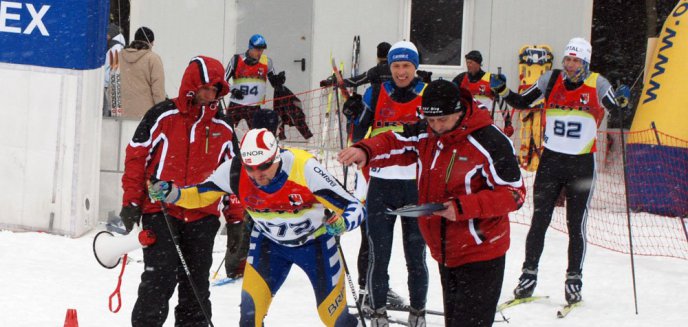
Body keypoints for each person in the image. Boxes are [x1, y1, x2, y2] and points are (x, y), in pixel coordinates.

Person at [338, 80, 525, 327]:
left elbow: (514, 194)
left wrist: (461, 207)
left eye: (443, 120)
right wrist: (366, 150)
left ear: (460, 112)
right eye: (431, 120)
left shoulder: (490, 140)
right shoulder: (429, 131)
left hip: (481, 252)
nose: (436, 127)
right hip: (446, 251)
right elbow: (396, 140)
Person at [147, 128, 367, 327]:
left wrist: (343, 223)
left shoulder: (304, 167)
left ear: (276, 157)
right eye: (250, 168)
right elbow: (198, 195)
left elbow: (354, 206)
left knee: (335, 320)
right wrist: (171, 193)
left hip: (315, 245)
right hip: (269, 247)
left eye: (264, 166)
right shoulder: (234, 171)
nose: (257, 174)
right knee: (249, 319)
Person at [490, 37, 622, 305]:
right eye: (568, 59)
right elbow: (521, 102)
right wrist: (503, 91)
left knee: (576, 225)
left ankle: (574, 279)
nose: (571, 65)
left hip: (581, 165)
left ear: (585, 62)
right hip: (551, 162)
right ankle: (528, 275)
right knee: (539, 221)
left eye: (576, 60)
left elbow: (616, 106)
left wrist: (623, 99)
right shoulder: (551, 80)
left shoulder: (597, 83)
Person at [118, 56, 232, 326]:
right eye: (205, 88)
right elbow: (137, 157)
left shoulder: (223, 127)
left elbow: (234, 175)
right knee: (159, 280)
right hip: (161, 211)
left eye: (215, 90)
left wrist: (236, 217)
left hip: (203, 216)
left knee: (196, 285)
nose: (210, 95)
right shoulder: (162, 116)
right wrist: (132, 201)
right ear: (192, 85)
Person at [340, 40, 429, 327]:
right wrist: (353, 114)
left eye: (406, 66)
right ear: (388, 67)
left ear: (416, 67)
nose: (401, 72)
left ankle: (418, 312)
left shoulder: (428, 95)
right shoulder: (376, 92)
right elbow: (358, 136)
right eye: (396, 66)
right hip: (380, 185)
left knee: (416, 257)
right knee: (379, 255)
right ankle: (377, 312)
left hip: (415, 187)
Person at [221, 109, 281, 280]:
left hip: (262, 200)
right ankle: (238, 267)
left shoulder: (268, 145)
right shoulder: (253, 146)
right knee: (244, 230)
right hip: (247, 198)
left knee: (254, 231)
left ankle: (253, 265)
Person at [224, 34, 286, 128]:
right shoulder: (236, 60)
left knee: (256, 134)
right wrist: (233, 90)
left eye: (262, 50)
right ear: (250, 48)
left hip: (255, 107)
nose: (260, 53)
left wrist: (278, 80)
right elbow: (223, 79)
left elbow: (274, 83)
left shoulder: (266, 62)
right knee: (227, 131)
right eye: (258, 50)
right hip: (236, 105)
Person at [120, 26, 166, 119]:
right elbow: (158, 90)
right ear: (150, 42)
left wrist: (114, 110)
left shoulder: (119, 56)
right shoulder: (153, 59)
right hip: (145, 115)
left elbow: (113, 83)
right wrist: (161, 111)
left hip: (120, 114)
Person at [104, 23, 125, 117]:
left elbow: (115, 68)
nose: (105, 36)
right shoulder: (113, 46)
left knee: (108, 113)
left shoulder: (116, 47)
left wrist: (107, 82)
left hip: (109, 85)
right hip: (110, 84)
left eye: (107, 33)